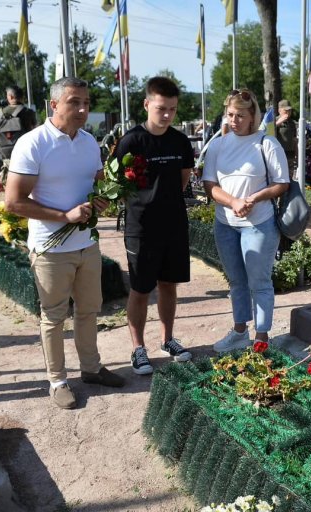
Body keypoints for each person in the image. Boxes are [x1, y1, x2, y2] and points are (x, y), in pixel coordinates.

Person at [4, 77, 124, 409]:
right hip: (50, 248)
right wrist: (64, 215)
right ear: (54, 105)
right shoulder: (33, 143)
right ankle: (57, 381)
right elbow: (14, 202)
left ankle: (91, 368)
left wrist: (101, 202)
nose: (83, 109)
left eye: (86, 102)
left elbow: (98, 186)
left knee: (88, 311)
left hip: (87, 245)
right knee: (54, 316)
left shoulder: (89, 143)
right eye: (75, 102)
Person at [115, 76, 195, 375]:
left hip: (174, 224)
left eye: (172, 109)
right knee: (140, 289)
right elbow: (118, 183)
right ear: (147, 104)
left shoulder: (180, 141)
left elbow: (183, 178)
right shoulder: (131, 141)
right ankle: (138, 348)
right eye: (161, 108)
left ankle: (167, 339)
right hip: (141, 227)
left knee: (169, 286)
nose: (166, 115)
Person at [202, 88, 290, 353]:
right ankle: (240, 331)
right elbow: (209, 184)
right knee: (236, 281)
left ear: (253, 116)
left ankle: (261, 337)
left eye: (240, 115)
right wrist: (234, 202)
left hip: (259, 224)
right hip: (225, 223)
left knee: (259, 282)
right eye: (230, 115)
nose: (234, 120)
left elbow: (281, 183)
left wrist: (255, 198)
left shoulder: (267, 143)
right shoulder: (218, 144)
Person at [0, 85, 37, 186]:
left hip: (5, 154)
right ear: (22, 97)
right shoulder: (28, 112)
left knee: (9, 184)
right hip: (25, 154)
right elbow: (34, 131)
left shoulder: (0, 113)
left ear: (10, 97)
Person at [275, 99, 298, 172]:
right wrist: (278, 123)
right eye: (286, 110)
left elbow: (294, 140)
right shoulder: (274, 121)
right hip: (279, 155)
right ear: (279, 110)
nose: (288, 113)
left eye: (290, 111)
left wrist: (297, 156)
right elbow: (268, 133)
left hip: (290, 155)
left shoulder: (292, 123)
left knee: (289, 179)